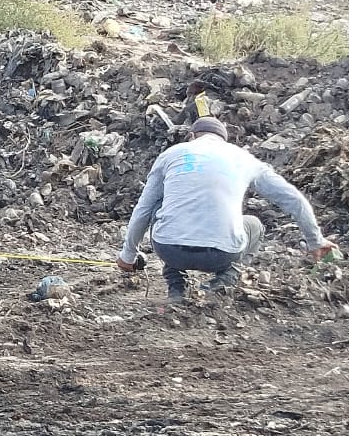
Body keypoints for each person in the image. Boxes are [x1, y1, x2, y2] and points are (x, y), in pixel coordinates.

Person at [116, 116, 337, 302]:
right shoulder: (244, 159)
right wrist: (315, 241)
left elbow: (143, 208)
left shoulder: (172, 154)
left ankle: (176, 287)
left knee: (160, 207)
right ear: (224, 140)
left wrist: (128, 255)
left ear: (192, 136)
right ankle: (223, 282)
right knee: (255, 225)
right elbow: (294, 200)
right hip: (222, 254)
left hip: (170, 251)